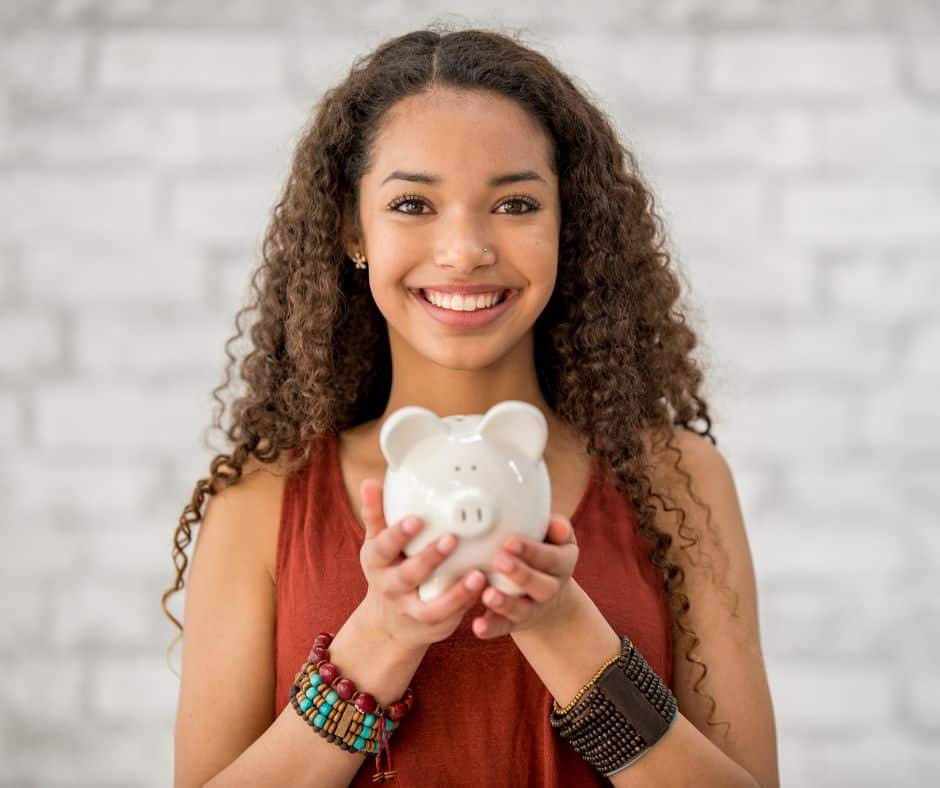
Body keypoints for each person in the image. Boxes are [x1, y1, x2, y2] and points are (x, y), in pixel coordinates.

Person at [161, 24, 779, 788]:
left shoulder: (680, 482)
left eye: (515, 203)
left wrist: (563, 631)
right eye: (413, 204)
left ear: (566, 226)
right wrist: (381, 638)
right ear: (354, 229)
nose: (464, 250)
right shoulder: (260, 501)